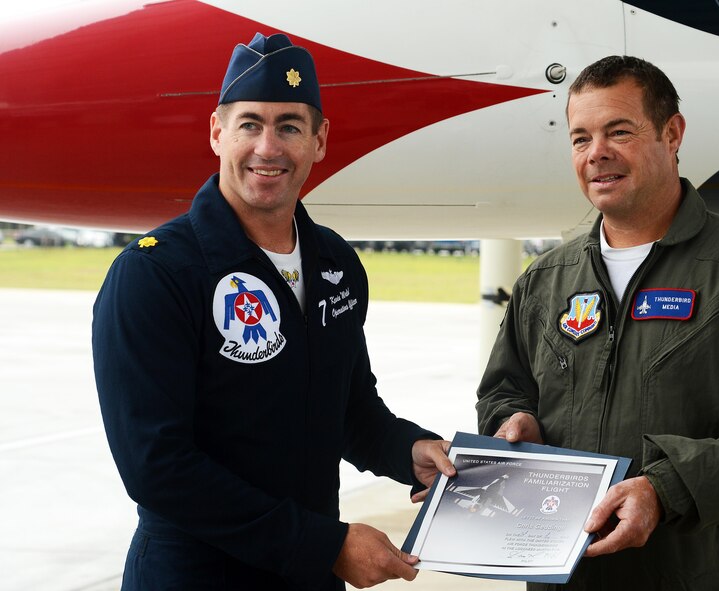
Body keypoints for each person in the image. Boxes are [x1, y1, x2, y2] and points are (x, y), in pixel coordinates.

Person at [93, 33, 455, 591]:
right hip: (198, 577)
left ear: (319, 140)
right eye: (249, 125)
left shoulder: (334, 260)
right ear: (217, 131)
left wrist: (410, 451)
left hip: (306, 576)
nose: (268, 147)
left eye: (289, 126)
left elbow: (349, 409)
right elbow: (157, 466)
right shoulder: (157, 273)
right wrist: (325, 545)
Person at [476, 55, 719, 590]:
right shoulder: (545, 280)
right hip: (561, 573)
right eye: (580, 138)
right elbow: (504, 390)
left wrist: (664, 490)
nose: (597, 153)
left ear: (672, 133)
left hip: (697, 575)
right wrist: (513, 421)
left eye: (619, 131)